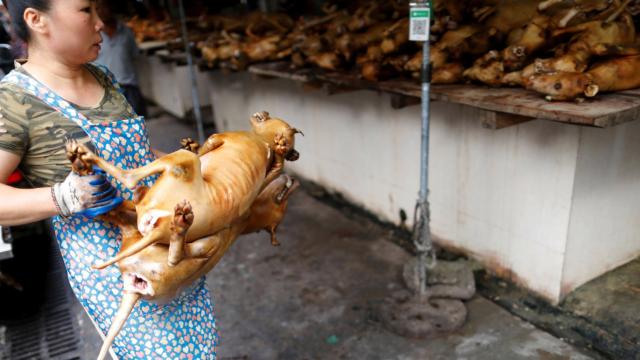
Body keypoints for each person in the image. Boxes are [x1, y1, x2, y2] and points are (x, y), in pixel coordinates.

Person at [0, 0, 219, 358]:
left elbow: (139, 158)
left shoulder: (102, 75)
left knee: (200, 345)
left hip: (168, 247)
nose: (101, 23)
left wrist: (191, 166)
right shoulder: (14, 100)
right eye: (86, 10)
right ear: (37, 20)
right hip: (119, 274)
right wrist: (63, 198)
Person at [95, 0, 147, 117]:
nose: (102, 11)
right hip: (105, 91)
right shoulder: (92, 35)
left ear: (111, 7)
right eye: (98, 8)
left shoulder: (126, 32)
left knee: (137, 126)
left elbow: (134, 56)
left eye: (104, 6)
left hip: (129, 87)